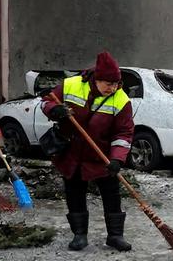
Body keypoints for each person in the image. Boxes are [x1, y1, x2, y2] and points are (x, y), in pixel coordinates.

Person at [43, 51, 134, 252]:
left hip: (101, 156)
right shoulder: (71, 85)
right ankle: (79, 235)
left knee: (111, 194)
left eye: (116, 84)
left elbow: (124, 132)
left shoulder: (121, 100)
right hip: (72, 153)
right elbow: (46, 101)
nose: (113, 88)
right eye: (108, 84)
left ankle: (115, 236)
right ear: (97, 79)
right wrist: (54, 110)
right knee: (74, 192)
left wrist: (117, 159)